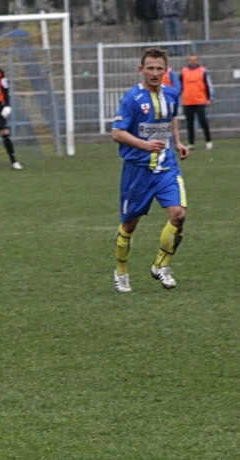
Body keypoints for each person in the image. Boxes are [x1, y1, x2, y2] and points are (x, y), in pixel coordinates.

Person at [111, 47, 189, 293]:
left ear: (165, 71)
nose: (155, 73)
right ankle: (121, 271)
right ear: (141, 70)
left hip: (166, 166)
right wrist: (145, 145)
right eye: (150, 68)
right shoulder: (132, 99)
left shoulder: (172, 94)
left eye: (159, 69)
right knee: (129, 226)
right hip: (138, 170)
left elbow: (171, 118)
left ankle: (161, 266)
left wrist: (176, 143)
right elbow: (117, 133)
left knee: (178, 214)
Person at [179, 53, 213, 151]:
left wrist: (209, 98)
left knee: (203, 121)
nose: (193, 61)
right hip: (188, 101)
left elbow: (208, 85)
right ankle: (191, 143)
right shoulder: (184, 71)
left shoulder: (203, 71)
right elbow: (180, 86)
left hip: (200, 100)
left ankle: (208, 141)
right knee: (189, 123)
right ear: (188, 61)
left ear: (197, 60)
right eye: (191, 60)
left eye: (195, 59)